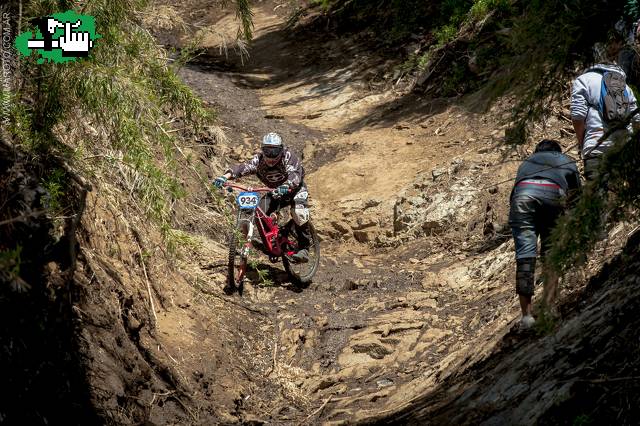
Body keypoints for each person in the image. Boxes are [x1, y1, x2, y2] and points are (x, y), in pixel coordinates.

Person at [509, 139, 581, 329]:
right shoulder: (566, 160)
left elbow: (513, 196)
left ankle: (527, 317)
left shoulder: (527, 162)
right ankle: (549, 308)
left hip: (523, 198)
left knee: (525, 256)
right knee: (550, 253)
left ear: (536, 151)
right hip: (553, 196)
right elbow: (576, 197)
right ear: (558, 151)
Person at [214, 132, 312, 262]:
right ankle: (271, 242)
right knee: (260, 213)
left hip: (295, 189)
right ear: (262, 149)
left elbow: (295, 174)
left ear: (281, 150)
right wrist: (224, 177)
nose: (271, 156)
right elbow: (243, 167)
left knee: (299, 212)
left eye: (274, 151)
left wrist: (287, 185)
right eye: (267, 151)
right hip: (274, 192)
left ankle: (304, 248)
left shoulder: (288, 156)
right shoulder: (259, 160)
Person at [571, 61, 640, 181]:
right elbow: (637, 119)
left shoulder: (583, 80)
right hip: (624, 150)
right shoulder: (624, 85)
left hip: (596, 148)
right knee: (620, 196)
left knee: (598, 197)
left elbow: (578, 116)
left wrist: (582, 144)